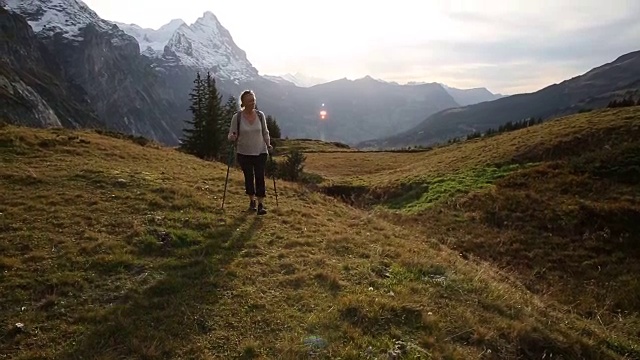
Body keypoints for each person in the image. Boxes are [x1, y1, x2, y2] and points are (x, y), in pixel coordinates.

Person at [228, 90, 272, 215]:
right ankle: (252, 201)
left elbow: (265, 131)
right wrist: (233, 137)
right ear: (243, 103)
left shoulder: (260, 115)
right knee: (249, 177)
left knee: (260, 177)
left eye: (253, 100)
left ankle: (260, 204)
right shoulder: (237, 117)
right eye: (250, 101)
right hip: (244, 152)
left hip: (260, 151)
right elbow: (231, 134)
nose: (253, 103)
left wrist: (268, 144)